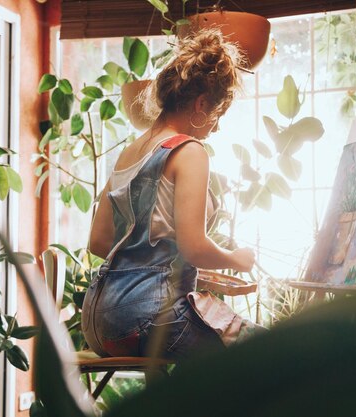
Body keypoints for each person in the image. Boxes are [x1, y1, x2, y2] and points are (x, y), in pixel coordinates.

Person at [82, 29, 260, 362]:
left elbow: (98, 241)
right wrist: (237, 259)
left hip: (98, 322)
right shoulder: (190, 151)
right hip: (146, 319)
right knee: (265, 352)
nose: (215, 127)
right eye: (217, 115)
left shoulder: (129, 152)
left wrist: (154, 267)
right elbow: (195, 246)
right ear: (201, 103)